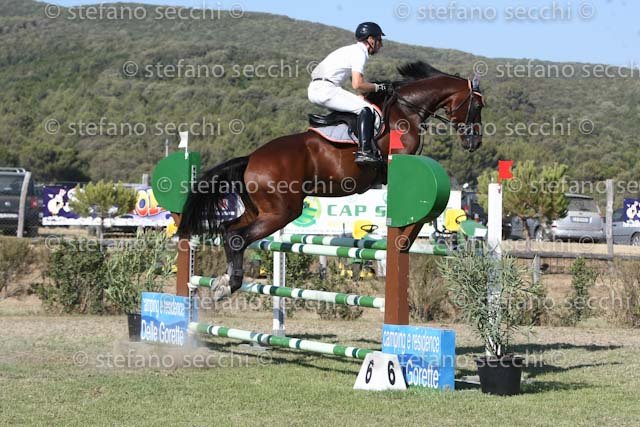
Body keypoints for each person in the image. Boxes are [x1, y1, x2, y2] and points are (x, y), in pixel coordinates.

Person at [308, 22, 389, 164]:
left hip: (315, 89)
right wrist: (379, 87)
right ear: (370, 39)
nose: (381, 45)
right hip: (326, 89)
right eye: (379, 40)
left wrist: (363, 94)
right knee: (366, 109)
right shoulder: (360, 53)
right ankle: (365, 152)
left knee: (356, 106)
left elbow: (358, 87)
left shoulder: (350, 50)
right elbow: (357, 84)